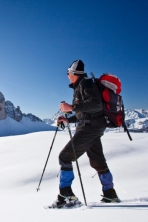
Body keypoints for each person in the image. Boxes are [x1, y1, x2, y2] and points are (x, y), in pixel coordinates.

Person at [53, 59, 120, 208]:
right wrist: (67, 119)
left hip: (89, 128)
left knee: (65, 157)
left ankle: (66, 195)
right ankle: (110, 194)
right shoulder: (81, 86)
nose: (67, 76)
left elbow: (96, 105)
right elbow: (84, 112)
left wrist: (71, 107)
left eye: (68, 73)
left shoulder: (85, 84)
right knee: (97, 161)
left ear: (73, 73)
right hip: (93, 126)